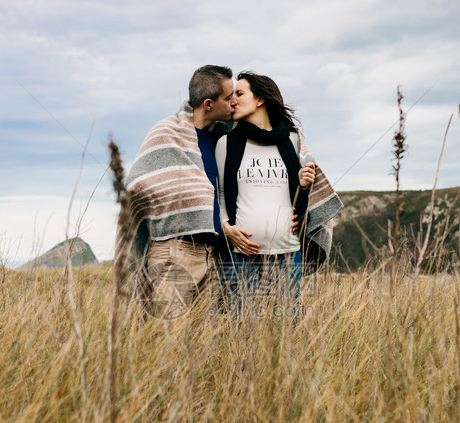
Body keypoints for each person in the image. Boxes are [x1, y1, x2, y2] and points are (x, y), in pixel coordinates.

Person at [215, 71, 343, 315]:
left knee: (286, 327)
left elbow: (299, 197)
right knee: (239, 326)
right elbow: (221, 195)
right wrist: (226, 228)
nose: (233, 101)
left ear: (260, 100)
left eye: (240, 94)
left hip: (287, 253)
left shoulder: (291, 140)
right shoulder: (227, 144)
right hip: (241, 254)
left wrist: (304, 187)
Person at [114, 65, 236, 318]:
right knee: (169, 344)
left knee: (203, 346)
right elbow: (138, 188)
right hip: (173, 252)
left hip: (210, 255)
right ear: (208, 104)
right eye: (228, 97)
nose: (235, 101)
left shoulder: (223, 140)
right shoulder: (167, 134)